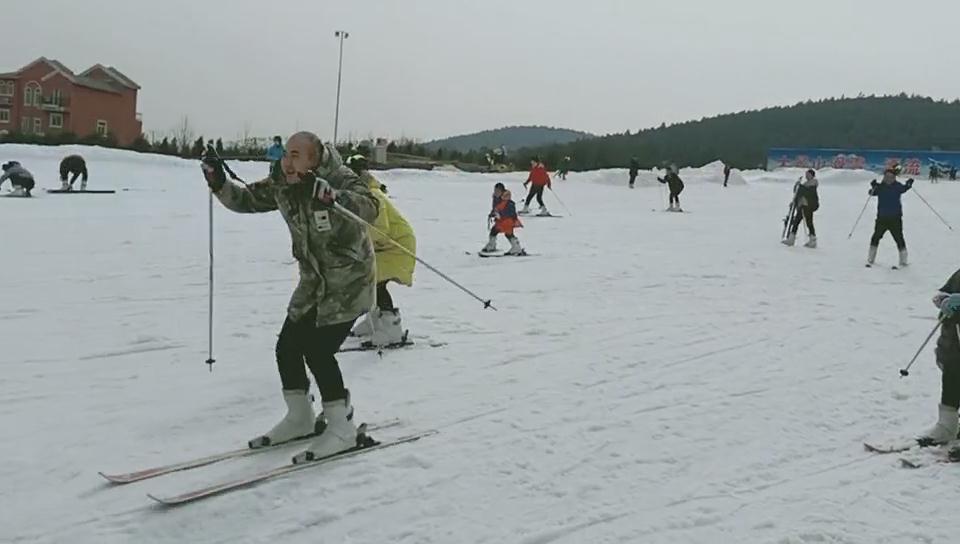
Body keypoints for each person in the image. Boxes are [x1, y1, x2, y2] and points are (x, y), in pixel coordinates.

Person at [201, 131, 379, 463]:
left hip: (349, 283)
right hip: (313, 283)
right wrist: (218, 182)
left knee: (319, 350)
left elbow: (370, 208)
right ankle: (301, 418)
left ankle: (342, 427)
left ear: (315, 159)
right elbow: (246, 200)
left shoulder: (340, 178)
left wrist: (334, 197)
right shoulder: (283, 183)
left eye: (296, 155)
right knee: (287, 346)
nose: (287, 160)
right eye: (286, 154)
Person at [344, 154, 417, 346]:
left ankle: (391, 326)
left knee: (375, 280)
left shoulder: (372, 195)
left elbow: (380, 230)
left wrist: (356, 239)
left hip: (397, 245)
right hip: (384, 246)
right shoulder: (360, 194)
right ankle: (376, 319)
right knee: (371, 281)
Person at [918, 271, 960, 454]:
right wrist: (943, 300)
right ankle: (946, 426)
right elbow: (941, 293)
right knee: (952, 377)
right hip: (954, 341)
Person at [866, 166, 913, 268]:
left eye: (891, 177)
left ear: (894, 178)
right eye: (887, 177)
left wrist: (909, 184)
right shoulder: (880, 187)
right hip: (882, 218)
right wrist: (873, 186)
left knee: (899, 238)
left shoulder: (897, 186)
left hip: (895, 218)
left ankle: (903, 260)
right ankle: (871, 258)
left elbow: (904, 188)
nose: (888, 179)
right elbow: (871, 193)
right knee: (875, 237)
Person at [782, 169, 820, 248]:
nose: (806, 176)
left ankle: (792, 239)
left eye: (808, 174)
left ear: (812, 175)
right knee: (803, 222)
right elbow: (799, 193)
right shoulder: (807, 184)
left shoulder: (812, 184)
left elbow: (807, 193)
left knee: (802, 222)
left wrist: (800, 187)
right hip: (804, 205)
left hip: (808, 206)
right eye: (806, 174)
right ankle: (811, 239)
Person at [481, 187, 524, 255]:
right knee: (501, 233)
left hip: (507, 221)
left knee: (505, 233)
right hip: (501, 222)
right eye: (495, 190)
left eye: (498, 191)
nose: (496, 192)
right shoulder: (497, 199)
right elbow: (496, 209)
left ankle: (516, 248)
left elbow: (511, 213)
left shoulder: (509, 202)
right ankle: (515, 247)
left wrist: (500, 215)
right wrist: (493, 214)